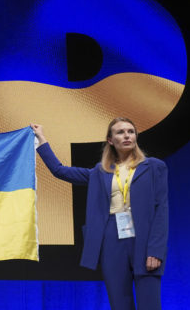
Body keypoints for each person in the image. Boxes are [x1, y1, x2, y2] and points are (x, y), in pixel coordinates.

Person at [31, 118, 168, 310]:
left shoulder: (154, 167)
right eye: (120, 132)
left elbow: (161, 209)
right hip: (112, 238)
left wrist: (155, 250)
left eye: (131, 131)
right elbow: (59, 171)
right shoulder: (100, 172)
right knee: (119, 304)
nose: (127, 135)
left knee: (150, 305)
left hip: (144, 240)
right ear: (110, 140)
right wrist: (41, 139)